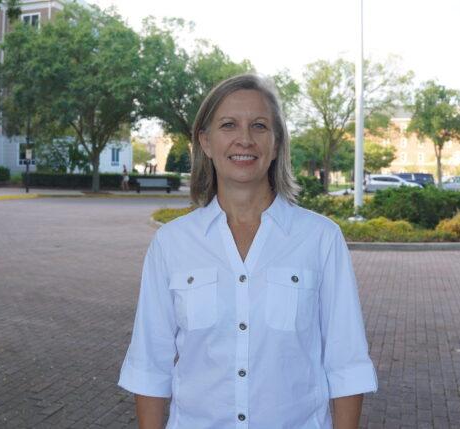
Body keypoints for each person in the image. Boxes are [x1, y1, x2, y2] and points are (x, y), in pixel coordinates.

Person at [118, 74, 377, 429]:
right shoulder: (172, 244)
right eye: (229, 125)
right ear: (206, 142)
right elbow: (150, 364)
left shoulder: (321, 239)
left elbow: (346, 363)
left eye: (259, 126)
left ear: (276, 144)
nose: (244, 139)